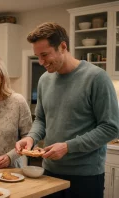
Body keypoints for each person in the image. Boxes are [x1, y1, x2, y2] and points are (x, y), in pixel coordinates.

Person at [15, 22, 119, 198]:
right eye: (37, 56)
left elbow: (110, 128)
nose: (41, 62)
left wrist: (68, 147)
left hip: (86, 177)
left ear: (63, 46)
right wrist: (31, 137)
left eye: (45, 55)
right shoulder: (44, 81)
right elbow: (41, 119)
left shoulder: (96, 78)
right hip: (49, 172)